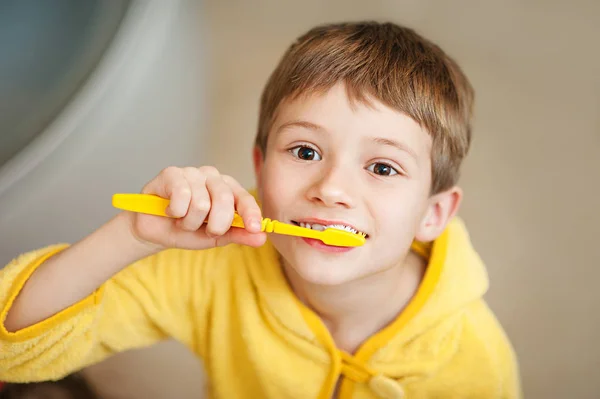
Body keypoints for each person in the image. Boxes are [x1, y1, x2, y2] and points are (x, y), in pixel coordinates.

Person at [0, 21, 521, 398]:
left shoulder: (474, 362)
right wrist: (132, 235)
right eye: (305, 152)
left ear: (434, 214)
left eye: (382, 168)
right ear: (259, 167)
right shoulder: (210, 271)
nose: (331, 188)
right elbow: (14, 348)